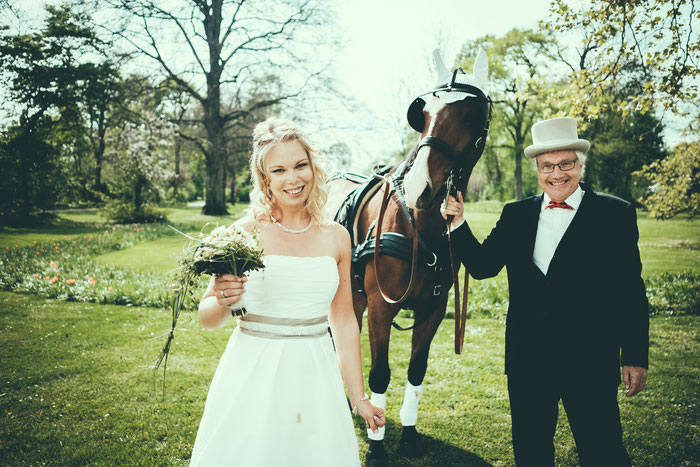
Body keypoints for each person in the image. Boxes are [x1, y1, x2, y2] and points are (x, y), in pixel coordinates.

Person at [441, 117, 649, 466]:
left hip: (591, 360)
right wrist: (459, 223)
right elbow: (482, 266)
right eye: (547, 166)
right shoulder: (516, 214)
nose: (557, 174)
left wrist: (635, 355)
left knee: (603, 450)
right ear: (537, 170)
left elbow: (630, 291)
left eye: (566, 163)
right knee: (531, 451)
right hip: (528, 360)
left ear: (580, 166)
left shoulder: (616, 214)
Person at [189, 117, 385, 466]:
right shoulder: (244, 233)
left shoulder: (337, 236)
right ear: (265, 178)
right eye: (278, 170)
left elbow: (342, 321)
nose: (292, 179)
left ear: (313, 166)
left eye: (300, 166)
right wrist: (221, 297)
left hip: (315, 375)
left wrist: (359, 399)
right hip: (252, 372)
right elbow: (207, 319)